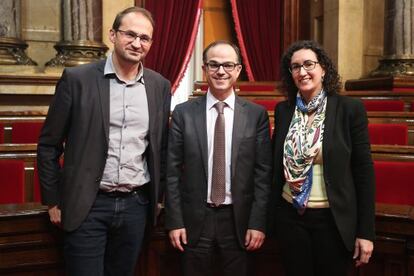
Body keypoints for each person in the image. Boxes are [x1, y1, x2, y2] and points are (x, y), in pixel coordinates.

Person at [37, 7, 171, 276]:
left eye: (144, 38)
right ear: (113, 34)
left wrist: (158, 198)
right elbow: (49, 145)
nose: (137, 43)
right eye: (130, 34)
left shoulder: (159, 86)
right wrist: (52, 200)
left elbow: (161, 147)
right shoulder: (78, 80)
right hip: (88, 205)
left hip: (136, 206)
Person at [165, 41, 272, 276]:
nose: (220, 71)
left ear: (238, 70)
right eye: (214, 65)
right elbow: (171, 172)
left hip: (238, 222)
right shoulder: (183, 113)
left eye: (227, 65)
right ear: (204, 69)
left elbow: (263, 174)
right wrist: (175, 221)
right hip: (194, 221)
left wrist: (257, 222)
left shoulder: (256, 115)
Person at [272, 40, 375, 276]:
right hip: (291, 218)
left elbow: (363, 171)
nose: (302, 71)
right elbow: (275, 168)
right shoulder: (284, 110)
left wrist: (366, 232)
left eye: (309, 64)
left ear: (323, 69)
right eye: (295, 67)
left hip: (333, 220)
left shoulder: (349, 109)